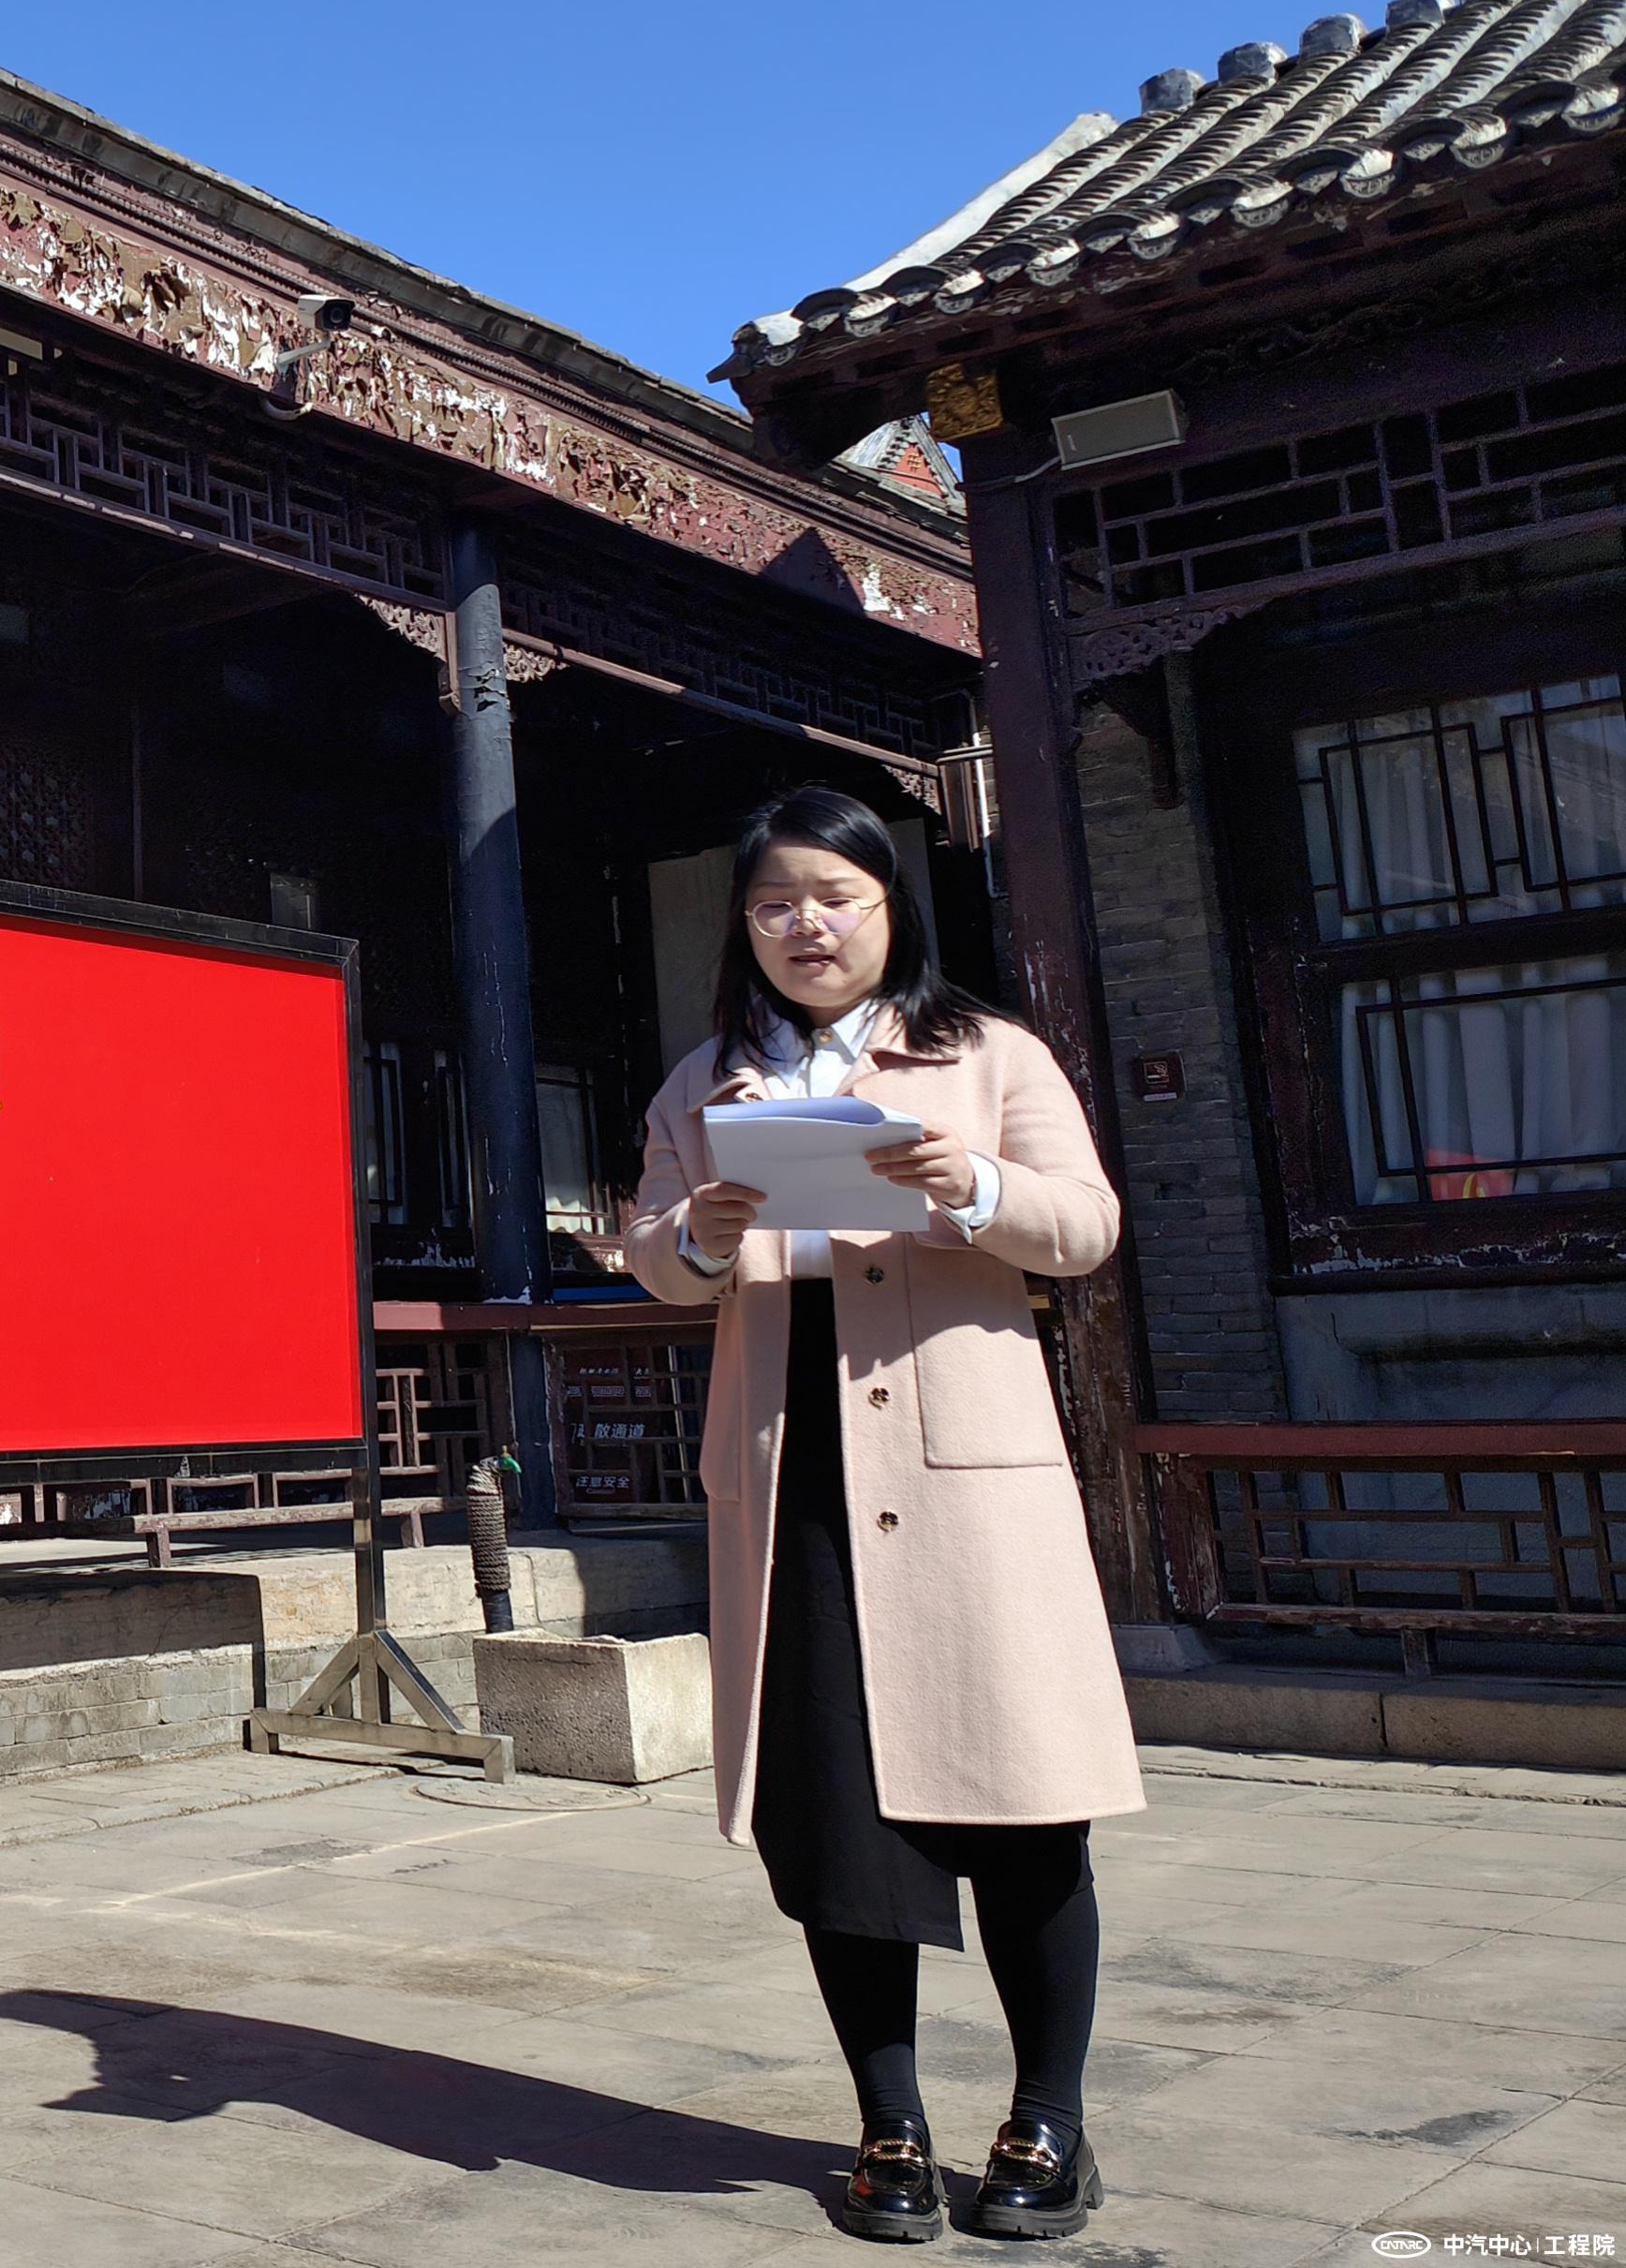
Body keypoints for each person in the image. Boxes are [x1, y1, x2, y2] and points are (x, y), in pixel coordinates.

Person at [626, 784, 1141, 2245]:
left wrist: (972, 1185)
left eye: (834, 897)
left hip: (962, 1476)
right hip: (796, 1480)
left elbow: (1087, 1224)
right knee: (834, 1823)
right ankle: (890, 2126)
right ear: (746, 927)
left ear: (888, 908)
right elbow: (650, 1248)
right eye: (774, 903)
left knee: (1024, 1804)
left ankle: (1049, 2122)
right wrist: (696, 1235)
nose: (806, 925)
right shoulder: (705, 1084)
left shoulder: (988, 1055)